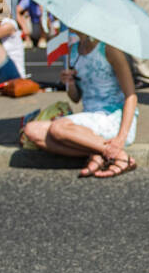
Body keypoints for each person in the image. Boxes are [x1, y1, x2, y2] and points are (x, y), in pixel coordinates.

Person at [21, 33, 140, 177]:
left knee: (58, 128)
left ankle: (119, 156)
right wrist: (70, 83)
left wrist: (121, 138)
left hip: (114, 118)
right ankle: (99, 153)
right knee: (32, 130)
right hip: (90, 119)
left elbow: (131, 96)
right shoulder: (73, 51)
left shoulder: (110, 49)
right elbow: (76, 98)